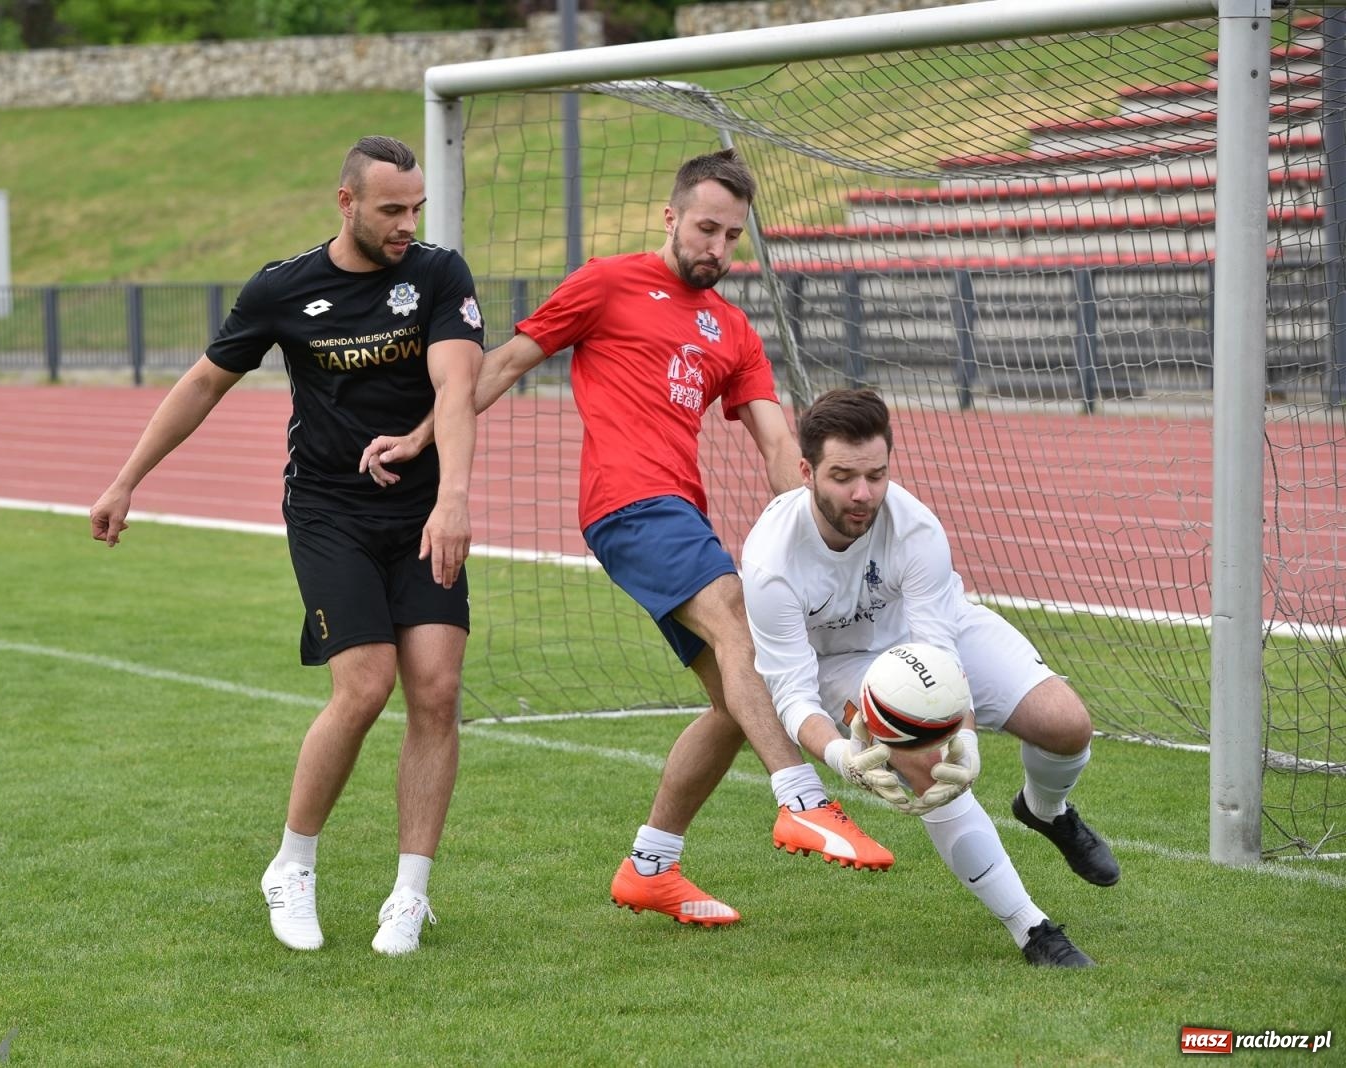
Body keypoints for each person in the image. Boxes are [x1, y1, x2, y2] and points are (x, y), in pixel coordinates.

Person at [361, 149, 893, 929]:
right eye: (705, 226)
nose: (716, 246)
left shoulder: (734, 329)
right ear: (671, 217)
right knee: (738, 622)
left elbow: (781, 445)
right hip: (628, 503)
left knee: (735, 702)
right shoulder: (606, 282)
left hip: (681, 509)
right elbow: (504, 362)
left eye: (732, 235)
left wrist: (825, 525)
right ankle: (804, 798)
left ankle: (651, 866)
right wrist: (420, 438)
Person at [88, 135, 484, 956]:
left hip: (422, 512)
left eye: (416, 208)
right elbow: (203, 382)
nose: (408, 223)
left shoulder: (440, 273)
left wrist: (451, 502)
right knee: (367, 686)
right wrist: (127, 480)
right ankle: (292, 865)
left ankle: (410, 894)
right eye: (390, 210)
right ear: (346, 203)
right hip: (329, 511)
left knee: (437, 691)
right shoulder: (284, 287)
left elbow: (456, 384)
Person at [739, 387, 1121, 967]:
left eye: (876, 474)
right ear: (805, 470)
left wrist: (963, 731)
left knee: (1068, 725)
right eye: (842, 476)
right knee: (927, 763)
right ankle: (1033, 929)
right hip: (843, 664)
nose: (862, 493)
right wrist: (844, 757)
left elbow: (938, 651)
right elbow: (791, 693)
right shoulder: (770, 565)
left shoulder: (915, 528)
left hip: (936, 634)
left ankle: (1046, 811)